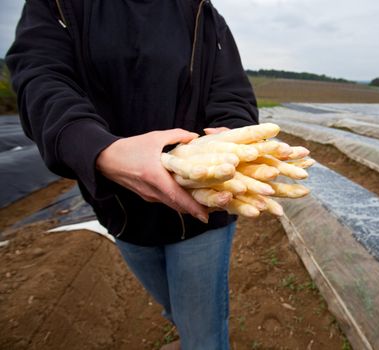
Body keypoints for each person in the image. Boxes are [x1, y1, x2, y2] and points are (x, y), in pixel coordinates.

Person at [6, 0, 258, 349]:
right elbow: (40, 77)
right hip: (121, 209)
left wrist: (229, 136)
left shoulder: (202, 12)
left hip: (204, 212)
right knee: (173, 304)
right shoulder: (59, 5)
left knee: (205, 333)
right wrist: (98, 149)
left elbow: (233, 93)